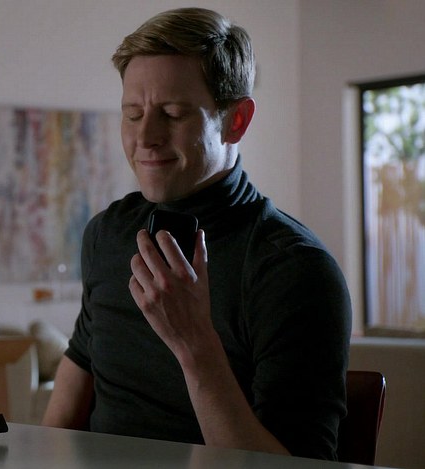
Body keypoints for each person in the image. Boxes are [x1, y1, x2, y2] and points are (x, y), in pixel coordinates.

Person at [41, 7, 352, 461]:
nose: (146, 136)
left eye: (172, 113)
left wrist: (194, 345)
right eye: (133, 114)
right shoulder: (106, 234)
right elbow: (69, 398)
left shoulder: (293, 270)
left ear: (236, 120)